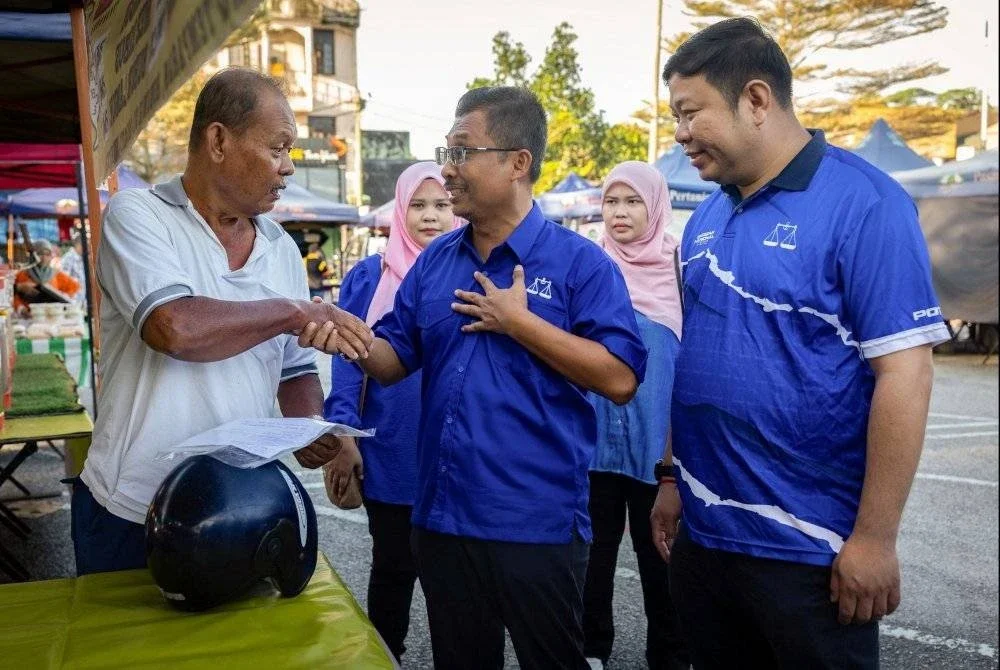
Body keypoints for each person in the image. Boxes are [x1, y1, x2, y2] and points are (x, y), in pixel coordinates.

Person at [301, 86, 647, 670]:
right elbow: (393, 360)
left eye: (462, 151)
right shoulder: (436, 261)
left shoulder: (580, 264)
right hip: (441, 523)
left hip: (536, 527)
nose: (447, 168)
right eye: (447, 150)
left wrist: (520, 325)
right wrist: (349, 339)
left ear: (518, 163)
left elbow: (620, 379)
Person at [649, 18, 950, 669]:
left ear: (756, 100)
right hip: (705, 544)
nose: (679, 134)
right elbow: (695, 353)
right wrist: (670, 476)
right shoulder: (705, 215)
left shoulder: (866, 204)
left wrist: (874, 538)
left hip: (811, 555)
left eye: (690, 112)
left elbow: (906, 374)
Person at [73, 67, 373, 575]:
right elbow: (174, 327)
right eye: (278, 149)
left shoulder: (280, 250)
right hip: (132, 507)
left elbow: (295, 369)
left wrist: (307, 428)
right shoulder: (138, 215)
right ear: (217, 140)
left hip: (238, 507)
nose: (288, 169)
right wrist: (295, 312)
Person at [322, 161, 457, 662]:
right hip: (392, 451)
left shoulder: (475, 270)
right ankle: (385, 656)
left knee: (456, 584)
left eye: (442, 204)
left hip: (457, 455)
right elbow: (348, 366)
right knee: (394, 570)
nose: (430, 217)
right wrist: (344, 437)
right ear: (400, 211)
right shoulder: (368, 277)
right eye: (418, 205)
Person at [583, 162, 688, 670]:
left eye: (632, 201)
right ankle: (591, 648)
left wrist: (675, 463)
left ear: (655, 206)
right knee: (591, 559)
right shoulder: (588, 263)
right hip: (593, 447)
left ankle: (668, 657)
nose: (620, 213)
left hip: (658, 452)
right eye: (611, 202)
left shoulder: (681, 268)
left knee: (663, 562)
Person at [13, 238, 80, 312]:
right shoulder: (22, 274)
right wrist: (21, 308)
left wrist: (60, 297)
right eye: (40, 253)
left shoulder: (55, 274)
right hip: (28, 317)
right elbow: (13, 296)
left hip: (52, 315)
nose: (44, 257)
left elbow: (75, 287)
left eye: (47, 254)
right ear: (33, 255)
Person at [59, 231, 87, 305]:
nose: (87, 247)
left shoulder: (83, 259)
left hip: (81, 301)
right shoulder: (68, 259)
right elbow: (63, 281)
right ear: (77, 244)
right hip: (71, 302)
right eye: (85, 245)